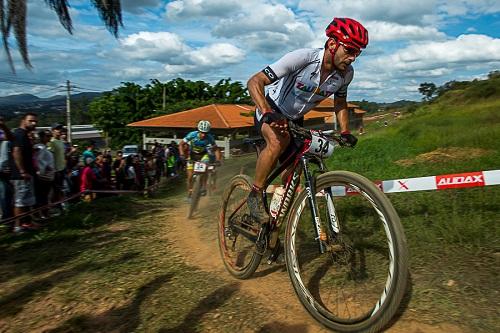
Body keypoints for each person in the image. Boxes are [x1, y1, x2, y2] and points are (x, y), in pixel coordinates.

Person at [246, 17, 368, 224]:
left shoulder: (346, 75)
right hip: (271, 109)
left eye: (358, 53)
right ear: (332, 44)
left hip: (295, 118)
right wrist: (267, 111)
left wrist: (345, 131)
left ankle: (273, 224)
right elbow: (255, 81)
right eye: (349, 50)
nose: (353, 58)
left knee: (292, 175)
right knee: (277, 143)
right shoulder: (303, 58)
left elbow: (340, 102)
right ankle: (255, 195)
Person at [179, 120, 221, 199]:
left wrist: (218, 160)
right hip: (191, 155)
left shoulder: (210, 138)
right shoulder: (192, 135)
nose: (203, 135)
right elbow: (181, 144)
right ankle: (190, 190)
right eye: (201, 132)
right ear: (198, 130)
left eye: (205, 133)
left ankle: (204, 187)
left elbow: (216, 149)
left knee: (204, 170)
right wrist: (181, 154)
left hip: (203, 155)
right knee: (190, 176)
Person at [11, 112, 38, 232]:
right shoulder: (19, 134)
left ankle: (27, 223)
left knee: (27, 200)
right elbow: (16, 152)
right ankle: (17, 226)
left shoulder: (26, 135)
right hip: (21, 175)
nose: (34, 123)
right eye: (31, 121)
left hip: (28, 173)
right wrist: (22, 171)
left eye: (35, 121)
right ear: (23, 121)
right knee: (20, 201)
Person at [34, 130, 55, 219]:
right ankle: (42, 214)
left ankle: (45, 213)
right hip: (43, 177)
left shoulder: (45, 147)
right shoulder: (40, 148)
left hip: (47, 176)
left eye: (50, 136)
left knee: (46, 196)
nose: (49, 138)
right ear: (42, 137)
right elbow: (39, 162)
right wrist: (44, 170)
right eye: (47, 136)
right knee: (42, 197)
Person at [48, 123, 66, 211]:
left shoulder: (60, 141)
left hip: (62, 168)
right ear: (52, 131)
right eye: (57, 129)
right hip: (56, 170)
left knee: (60, 188)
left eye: (60, 128)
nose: (59, 130)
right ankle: (55, 207)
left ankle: (59, 206)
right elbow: (50, 156)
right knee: (55, 190)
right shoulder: (51, 142)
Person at [0, 117, 15, 221]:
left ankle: (8, 216)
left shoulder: (2, 131)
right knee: (4, 192)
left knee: (7, 192)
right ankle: (6, 218)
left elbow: (10, 138)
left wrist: (3, 127)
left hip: (4, 168)